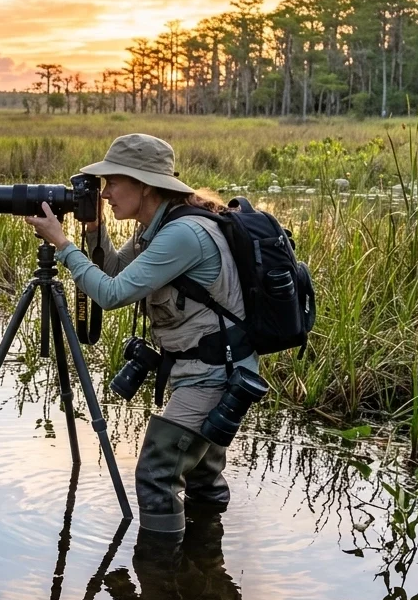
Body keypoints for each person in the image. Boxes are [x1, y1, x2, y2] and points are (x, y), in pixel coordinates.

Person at [24, 133, 259, 538]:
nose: (105, 193)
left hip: (213, 374)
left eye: (113, 182)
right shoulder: (158, 226)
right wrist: (94, 227)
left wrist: (62, 244)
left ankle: (160, 570)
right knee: (201, 477)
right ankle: (205, 559)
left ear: (146, 185)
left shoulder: (183, 234)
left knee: (156, 474)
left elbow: (111, 294)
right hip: (211, 367)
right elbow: (115, 270)